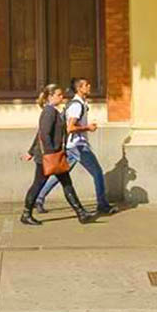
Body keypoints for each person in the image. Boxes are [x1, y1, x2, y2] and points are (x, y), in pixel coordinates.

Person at [34, 77, 118, 215]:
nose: (89, 86)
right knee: (97, 173)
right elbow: (70, 127)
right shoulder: (76, 105)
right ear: (79, 88)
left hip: (71, 145)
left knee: (59, 173)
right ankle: (102, 205)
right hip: (77, 145)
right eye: (86, 85)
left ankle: (39, 198)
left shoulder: (78, 103)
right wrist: (88, 128)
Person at [20, 83, 97, 226]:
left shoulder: (54, 111)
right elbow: (43, 135)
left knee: (67, 183)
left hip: (55, 154)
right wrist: (50, 154)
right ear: (50, 96)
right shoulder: (49, 112)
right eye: (59, 95)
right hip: (48, 157)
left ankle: (81, 213)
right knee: (38, 184)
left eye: (62, 95)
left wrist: (31, 152)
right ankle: (26, 214)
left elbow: (39, 134)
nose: (62, 97)